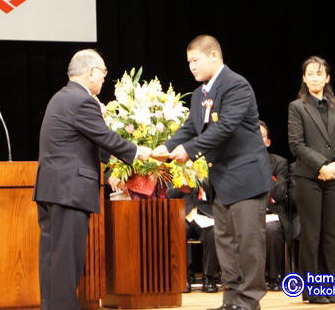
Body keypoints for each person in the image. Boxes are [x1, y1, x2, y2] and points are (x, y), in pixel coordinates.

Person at [154, 35, 272, 310]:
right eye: (188, 62)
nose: (191, 67)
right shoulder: (199, 94)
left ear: (213, 56)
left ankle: (249, 300)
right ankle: (231, 300)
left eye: (195, 60)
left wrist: (189, 150)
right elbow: (191, 127)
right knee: (226, 244)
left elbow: (225, 127)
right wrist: (167, 146)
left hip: (246, 178)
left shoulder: (237, 85)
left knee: (248, 243)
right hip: (221, 180)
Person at [33, 49, 151, 310]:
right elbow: (107, 139)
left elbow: (96, 145)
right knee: (66, 261)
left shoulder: (62, 97)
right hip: (69, 191)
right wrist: (139, 152)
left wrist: (104, 121)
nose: (104, 80)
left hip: (53, 190)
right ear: (91, 72)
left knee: (54, 260)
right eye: (103, 73)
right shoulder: (81, 100)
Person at [288, 55, 335, 304]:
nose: (315, 77)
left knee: (330, 234)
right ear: (304, 78)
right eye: (310, 73)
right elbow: (296, 144)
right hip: (309, 178)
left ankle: (330, 286)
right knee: (311, 235)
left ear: (327, 77)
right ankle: (312, 289)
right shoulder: (297, 106)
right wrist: (322, 165)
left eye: (319, 73)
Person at [166, 181, 219, 293]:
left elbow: (215, 193)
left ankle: (209, 277)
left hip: (205, 214)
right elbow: (169, 194)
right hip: (183, 215)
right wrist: (181, 185)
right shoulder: (177, 169)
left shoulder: (207, 169)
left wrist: (199, 181)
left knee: (213, 232)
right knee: (178, 232)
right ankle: (184, 276)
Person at [258, 121, 291, 291]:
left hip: (272, 212)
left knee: (271, 229)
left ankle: (273, 276)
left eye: (261, 136)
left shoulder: (279, 163)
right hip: (248, 212)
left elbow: (278, 194)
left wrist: (260, 168)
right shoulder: (238, 163)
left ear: (267, 142)